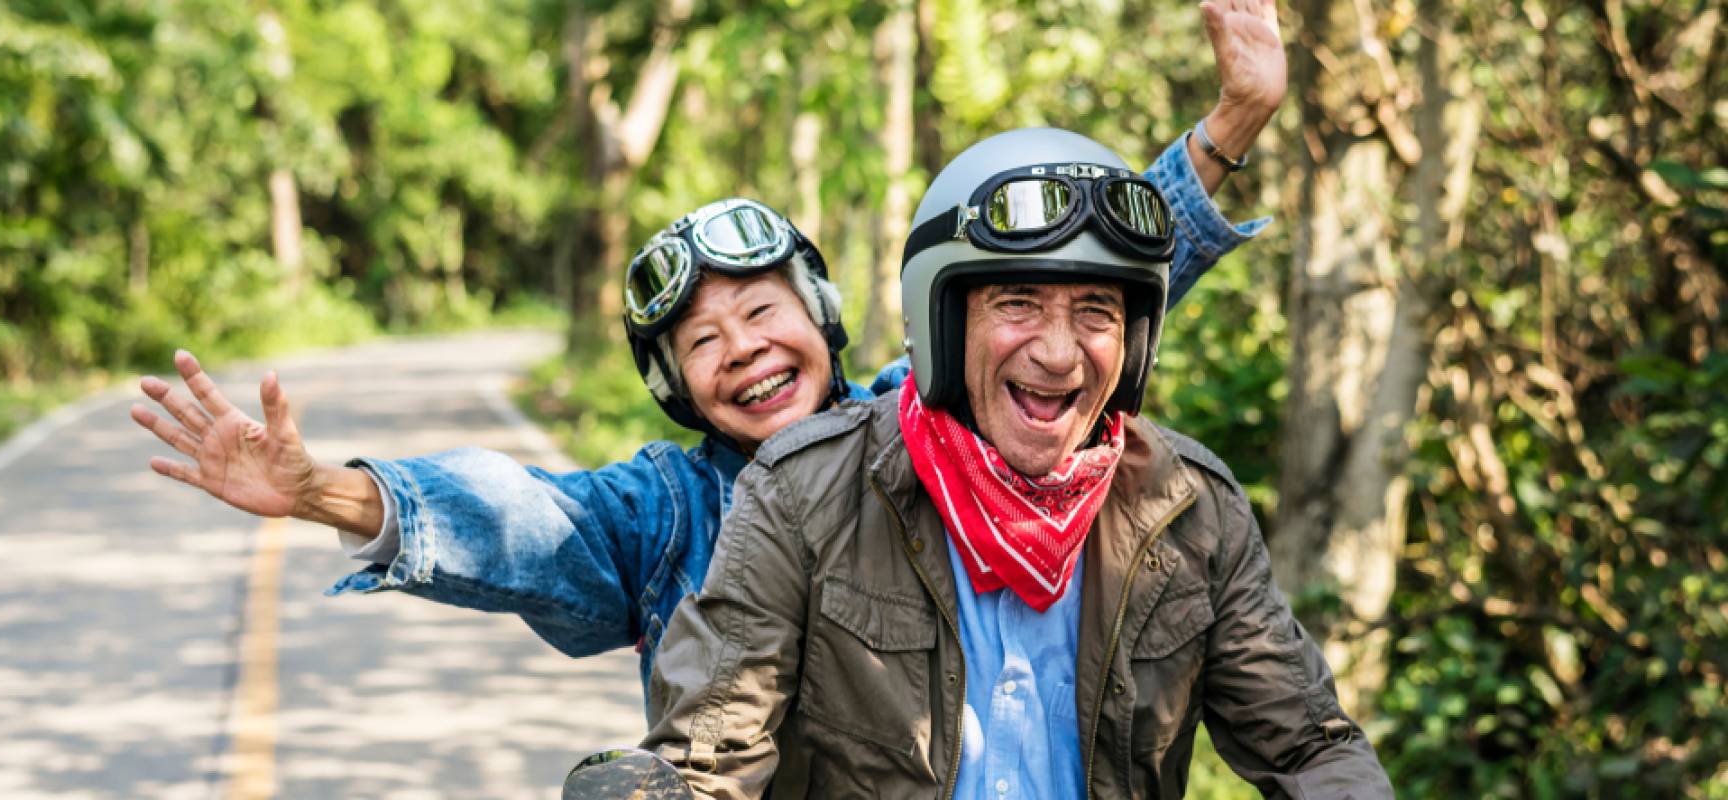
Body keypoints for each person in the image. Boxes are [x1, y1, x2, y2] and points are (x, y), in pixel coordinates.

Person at [128, 0, 1286, 707]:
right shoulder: (668, 512)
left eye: (762, 311)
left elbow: (1071, 303)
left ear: (823, 315)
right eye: (701, 340)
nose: (741, 349)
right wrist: (327, 490)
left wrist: (1229, 124)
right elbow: (520, 516)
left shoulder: (924, 419)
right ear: (673, 382)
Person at [640, 126, 1393, 797]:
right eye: (1018, 304)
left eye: (1096, 311)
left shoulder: (1191, 511)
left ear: (1131, 345)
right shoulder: (804, 492)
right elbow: (706, 757)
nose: (1059, 352)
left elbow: (1306, 747)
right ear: (942, 320)